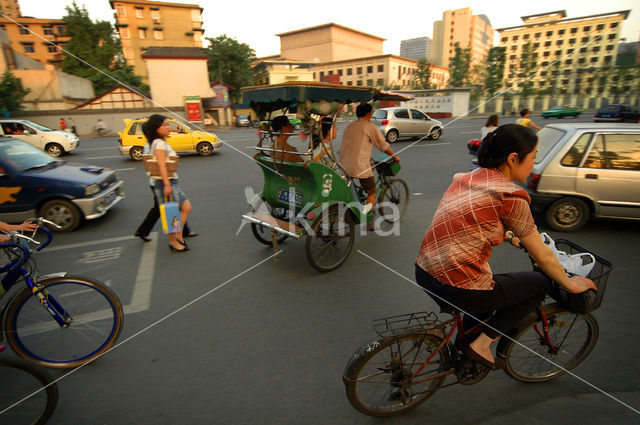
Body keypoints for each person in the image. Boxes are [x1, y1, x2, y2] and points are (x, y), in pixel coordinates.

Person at [414, 124, 596, 370]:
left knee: (487, 296)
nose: (533, 163)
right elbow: (542, 255)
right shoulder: (510, 196)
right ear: (513, 159)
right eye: (533, 157)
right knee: (538, 284)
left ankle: (463, 350)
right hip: (458, 284)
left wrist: (511, 237)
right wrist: (571, 284)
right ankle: (479, 346)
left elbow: (473, 220)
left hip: (425, 270)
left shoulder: (466, 179)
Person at [142, 114, 192, 253]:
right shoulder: (159, 143)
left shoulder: (159, 141)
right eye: (164, 125)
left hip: (169, 182)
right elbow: (161, 165)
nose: (168, 127)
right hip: (166, 183)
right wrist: (167, 185)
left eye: (167, 124)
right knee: (172, 214)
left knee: (185, 208)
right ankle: (174, 241)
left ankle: (177, 237)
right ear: (156, 128)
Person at [338, 103, 399, 214]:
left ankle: (361, 192)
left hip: (343, 165)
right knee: (372, 191)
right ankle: (368, 219)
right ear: (368, 114)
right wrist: (395, 157)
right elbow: (383, 145)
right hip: (358, 166)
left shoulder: (350, 126)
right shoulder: (369, 126)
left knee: (369, 166)